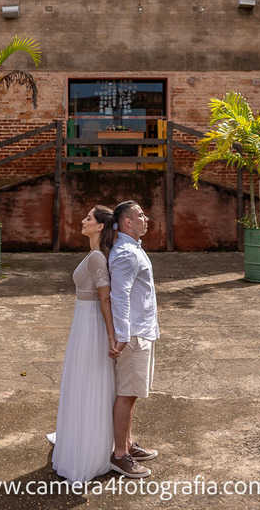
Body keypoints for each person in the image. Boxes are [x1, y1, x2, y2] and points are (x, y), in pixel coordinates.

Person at [49, 205, 118, 483]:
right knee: (81, 381)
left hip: (92, 327)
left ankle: (88, 451)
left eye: (88, 218)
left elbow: (105, 299)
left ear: (100, 226)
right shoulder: (94, 255)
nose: (83, 220)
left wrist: (112, 336)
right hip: (83, 323)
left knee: (89, 382)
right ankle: (79, 438)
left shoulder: (97, 259)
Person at [107, 200, 159, 478]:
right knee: (126, 395)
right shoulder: (126, 254)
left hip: (142, 331)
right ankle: (119, 455)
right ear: (127, 222)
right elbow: (119, 296)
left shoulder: (133, 249)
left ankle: (127, 443)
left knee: (133, 393)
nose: (145, 218)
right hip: (134, 336)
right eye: (140, 215)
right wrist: (123, 336)